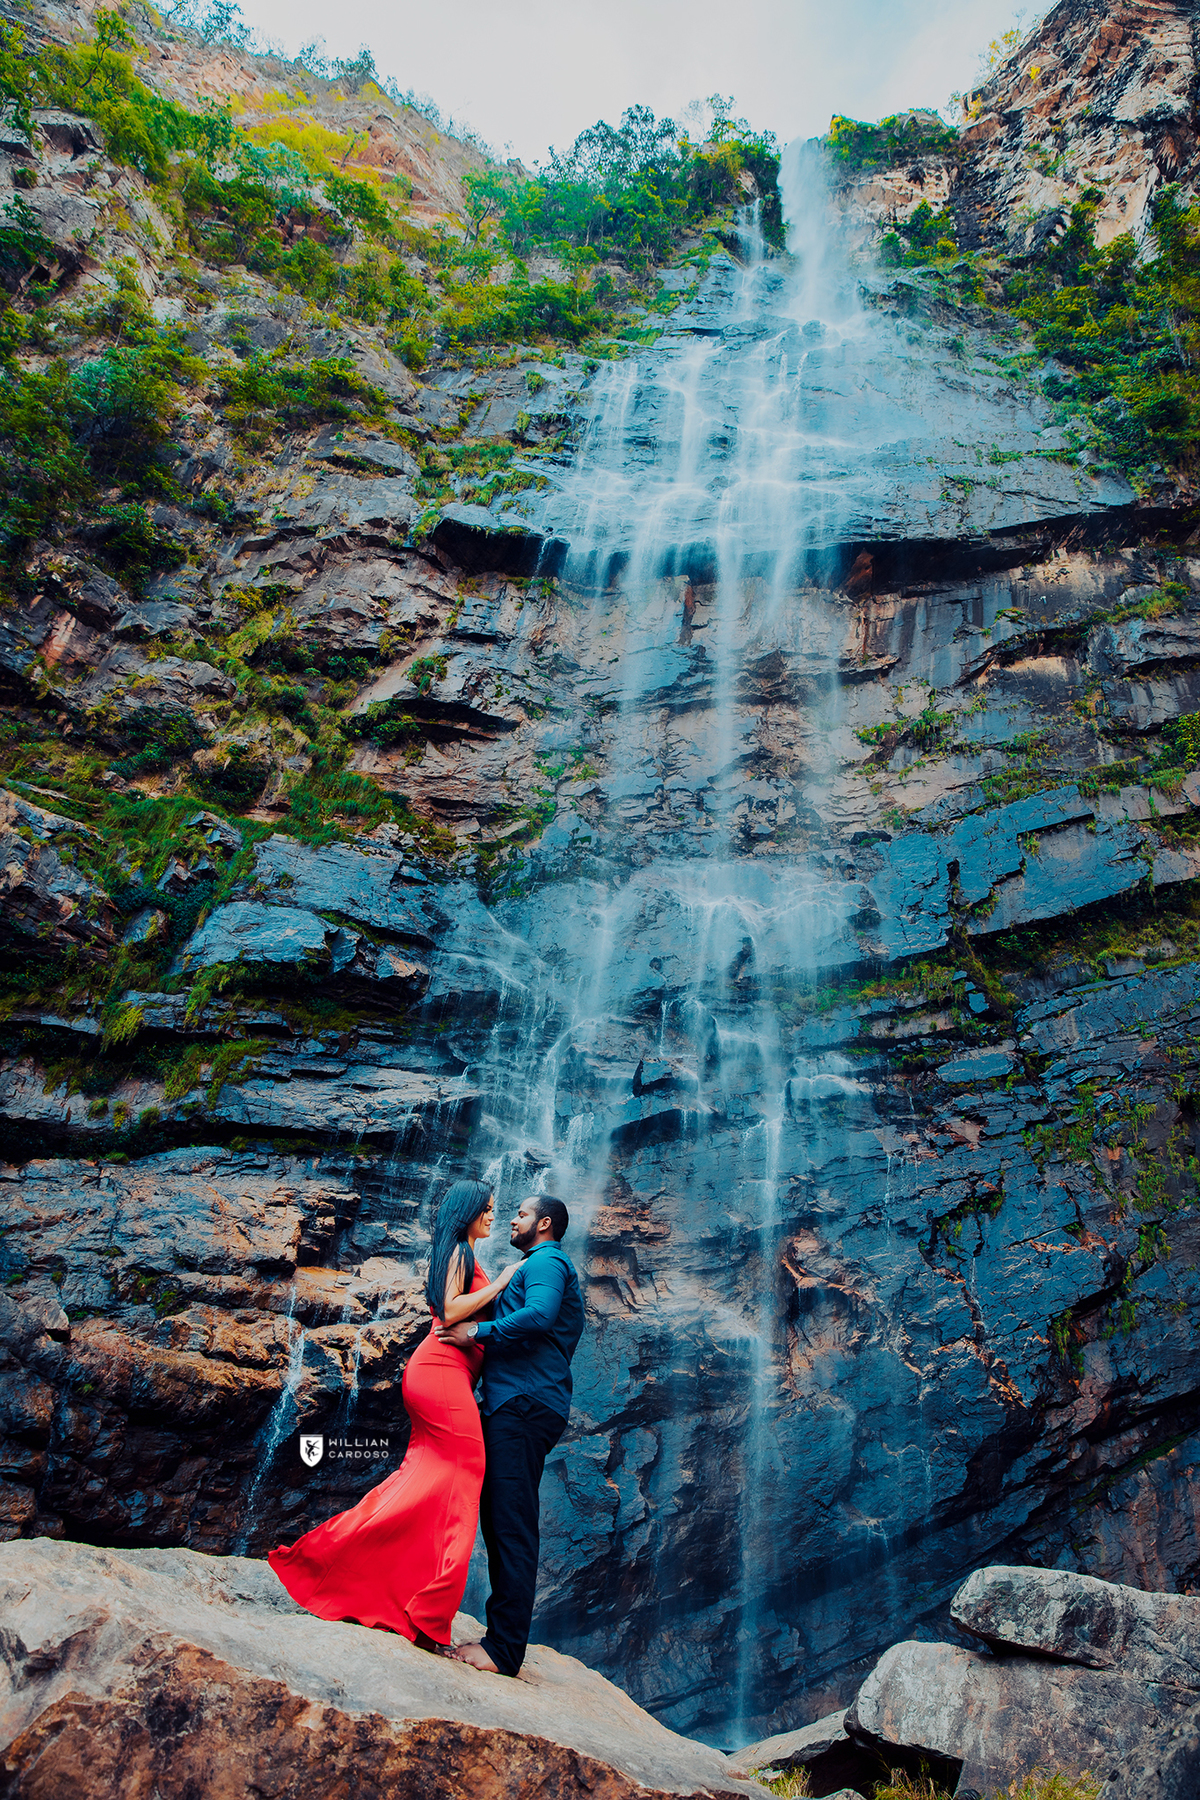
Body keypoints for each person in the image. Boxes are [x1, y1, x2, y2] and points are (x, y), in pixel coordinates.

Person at [268, 1179, 516, 1653]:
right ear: (467, 1212)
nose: (492, 1216)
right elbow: (448, 1310)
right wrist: (502, 1283)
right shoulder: (462, 1251)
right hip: (443, 1374)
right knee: (466, 1477)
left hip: (440, 1375)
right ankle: (428, 1617)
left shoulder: (457, 1250)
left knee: (422, 1483)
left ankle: (329, 1562)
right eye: (486, 1208)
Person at [435, 1192, 584, 1677]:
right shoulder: (537, 1263)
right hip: (516, 1403)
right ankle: (501, 1638)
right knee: (501, 1518)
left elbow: (540, 1316)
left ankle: (504, 1649)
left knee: (511, 1522)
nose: (510, 1221)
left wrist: (478, 1334)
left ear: (543, 1223)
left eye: (519, 1214)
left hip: (522, 1403)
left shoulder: (546, 1262)